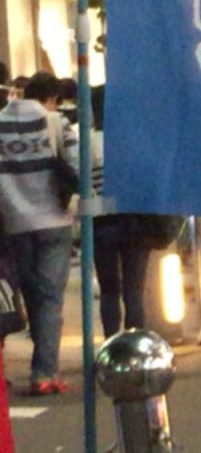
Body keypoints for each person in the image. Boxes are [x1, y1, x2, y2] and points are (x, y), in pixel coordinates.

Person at [0, 70, 77, 396]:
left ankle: (40, 364)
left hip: (14, 222)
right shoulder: (57, 122)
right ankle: (43, 372)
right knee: (50, 297)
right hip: (54, 220)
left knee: (31, 294)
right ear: (51, 98)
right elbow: (77, 166)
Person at [89, 85, 178, 337]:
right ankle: (135, 343)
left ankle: (111, 342)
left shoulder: (87, 143)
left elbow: (83, 188)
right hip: (136, 223)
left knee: (109, 290)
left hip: (102, 225)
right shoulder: (137, 140)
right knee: (134, 291)